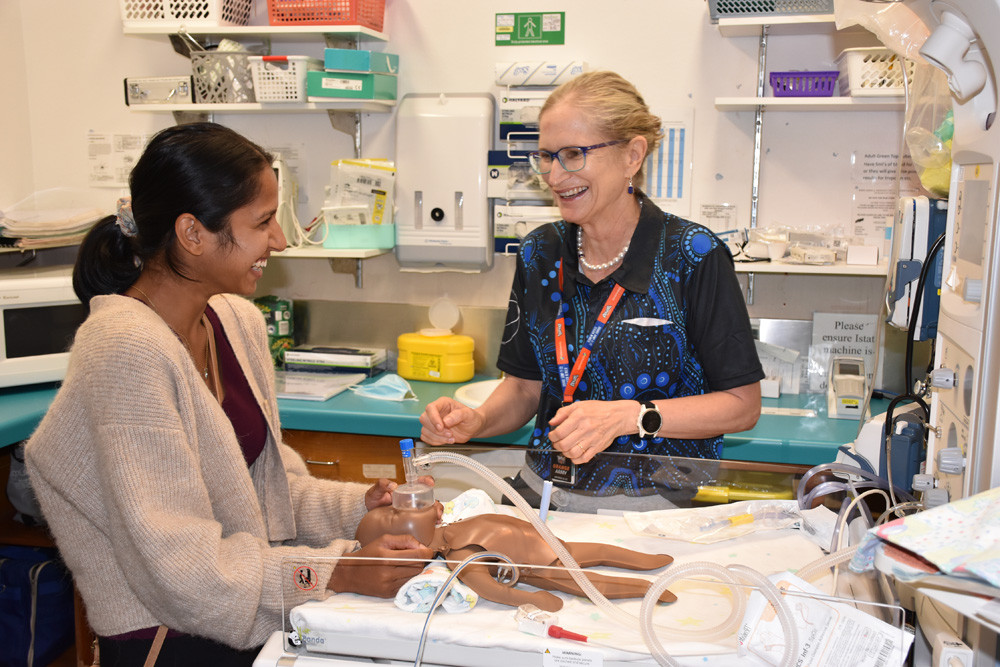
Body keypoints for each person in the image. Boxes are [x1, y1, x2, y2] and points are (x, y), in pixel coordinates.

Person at [25, 122, 434, 666]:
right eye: (263, 221)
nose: (281, 240)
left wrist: (358, 508)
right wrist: (340, 570)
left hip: (245, 612)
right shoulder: (124, 348)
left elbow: (267, 495)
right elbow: (183, 570)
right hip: (167, 638)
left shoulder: (235, 322)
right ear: (193, 234)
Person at [420, 71, 764, 512]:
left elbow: (741, 406)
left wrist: (633, 416)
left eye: (573, 154)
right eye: (546, 156)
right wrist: (477, 420)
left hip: (657, 509)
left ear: (632, 155)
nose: (554, 175)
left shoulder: (692, 256)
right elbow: (525, 389)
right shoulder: (539, 253)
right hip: (546, 495)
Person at [355, 504, 676, 612]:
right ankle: (649, 590)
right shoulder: (457, 555)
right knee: (593, 583)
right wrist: (532, 598)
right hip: (537, 566)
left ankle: (649, 560)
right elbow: (489, 589)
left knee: (601, 550)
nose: (406, 504)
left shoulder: (454, 525)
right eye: (397, 512)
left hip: (547, 542)